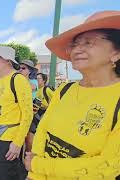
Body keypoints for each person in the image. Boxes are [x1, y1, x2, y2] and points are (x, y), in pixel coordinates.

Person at [25, 11, 120, 179]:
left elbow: (107, 166)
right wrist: (35, 173)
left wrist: (39, 165)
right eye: (75, 44)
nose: (77, 49)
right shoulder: (64, 90)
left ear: (116, 53)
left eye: (89, 42)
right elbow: (43, 130)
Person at [0, 46, 33, 180]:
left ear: (8, 61)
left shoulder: (18, 80)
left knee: (7, 175)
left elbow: (28, 114)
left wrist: (18, 142)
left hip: (9, 139)